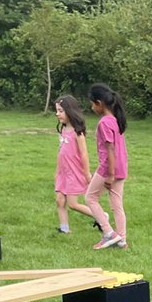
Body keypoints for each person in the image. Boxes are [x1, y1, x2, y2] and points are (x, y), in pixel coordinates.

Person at [86, 83, 128, 250]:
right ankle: (122, 241)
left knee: (90, 197)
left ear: (99, 103)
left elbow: (110, 149)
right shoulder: (116, 120)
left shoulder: (104, 123)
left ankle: (109, 233)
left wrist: (110, 175)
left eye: (92, 104)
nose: (92, 108)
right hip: (121, 168)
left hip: (108, 169)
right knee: (117, 205)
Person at [53, 95, 95, 234]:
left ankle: (101, 217)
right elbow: (61, 152)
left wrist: (87, 173)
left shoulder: (78, 133)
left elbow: (84, 154)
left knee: (73, 204)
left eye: (60, 111)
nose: (57, 114)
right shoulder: (64, 130)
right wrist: (57, 172)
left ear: (70, 111)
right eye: (57, 111)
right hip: (63, 172)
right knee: (60, 200)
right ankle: (64, 229)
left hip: (74, 172)